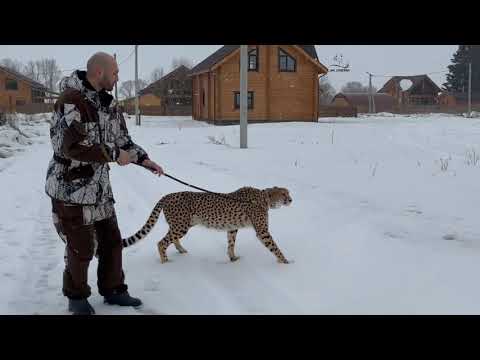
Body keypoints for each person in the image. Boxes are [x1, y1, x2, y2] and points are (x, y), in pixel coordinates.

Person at [45, 52, 163, 315]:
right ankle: (76, 297)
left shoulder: (108, 103)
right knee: (81, 246)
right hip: (71, 188)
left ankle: (113, 289)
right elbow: (71, 146)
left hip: (99, 189)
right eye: (116, 73)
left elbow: (122, 139)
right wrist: (112, 155)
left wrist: (143, 159)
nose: (118, 77)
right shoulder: (71, 100)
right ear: (100, 73)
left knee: (111, 241)